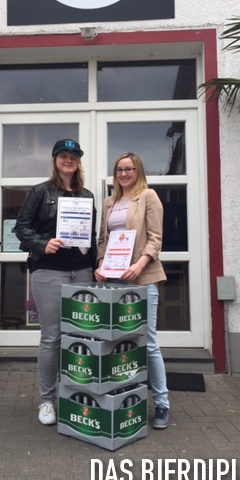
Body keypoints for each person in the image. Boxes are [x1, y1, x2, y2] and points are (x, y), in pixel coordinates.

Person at [14, 139, 96, 426]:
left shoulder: (87, 195)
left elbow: (90, 236)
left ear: (78, 161)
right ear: (55, 160)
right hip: (49, 271)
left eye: (73, 155)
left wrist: (96, 266)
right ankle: (47, 400)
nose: (68, 160)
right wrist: (41, 243)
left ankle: (74, 393)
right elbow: (20, 227)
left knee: (81, 336)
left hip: (82, 272)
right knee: (52, 336)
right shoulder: (40, 192)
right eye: (63, 155)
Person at [94, 152, 170, 429]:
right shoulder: (109, 202)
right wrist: (100, 265)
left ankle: (161, 404)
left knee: (148, 342)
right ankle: (124, 397)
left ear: (138, 171)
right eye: (119, 169)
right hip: (113, 280)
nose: (124, 173)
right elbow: (103, 239)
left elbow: (156, 238)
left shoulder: (148, 196)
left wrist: (139, 265)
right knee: (118, 341)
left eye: (129, 169)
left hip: (143, 277)